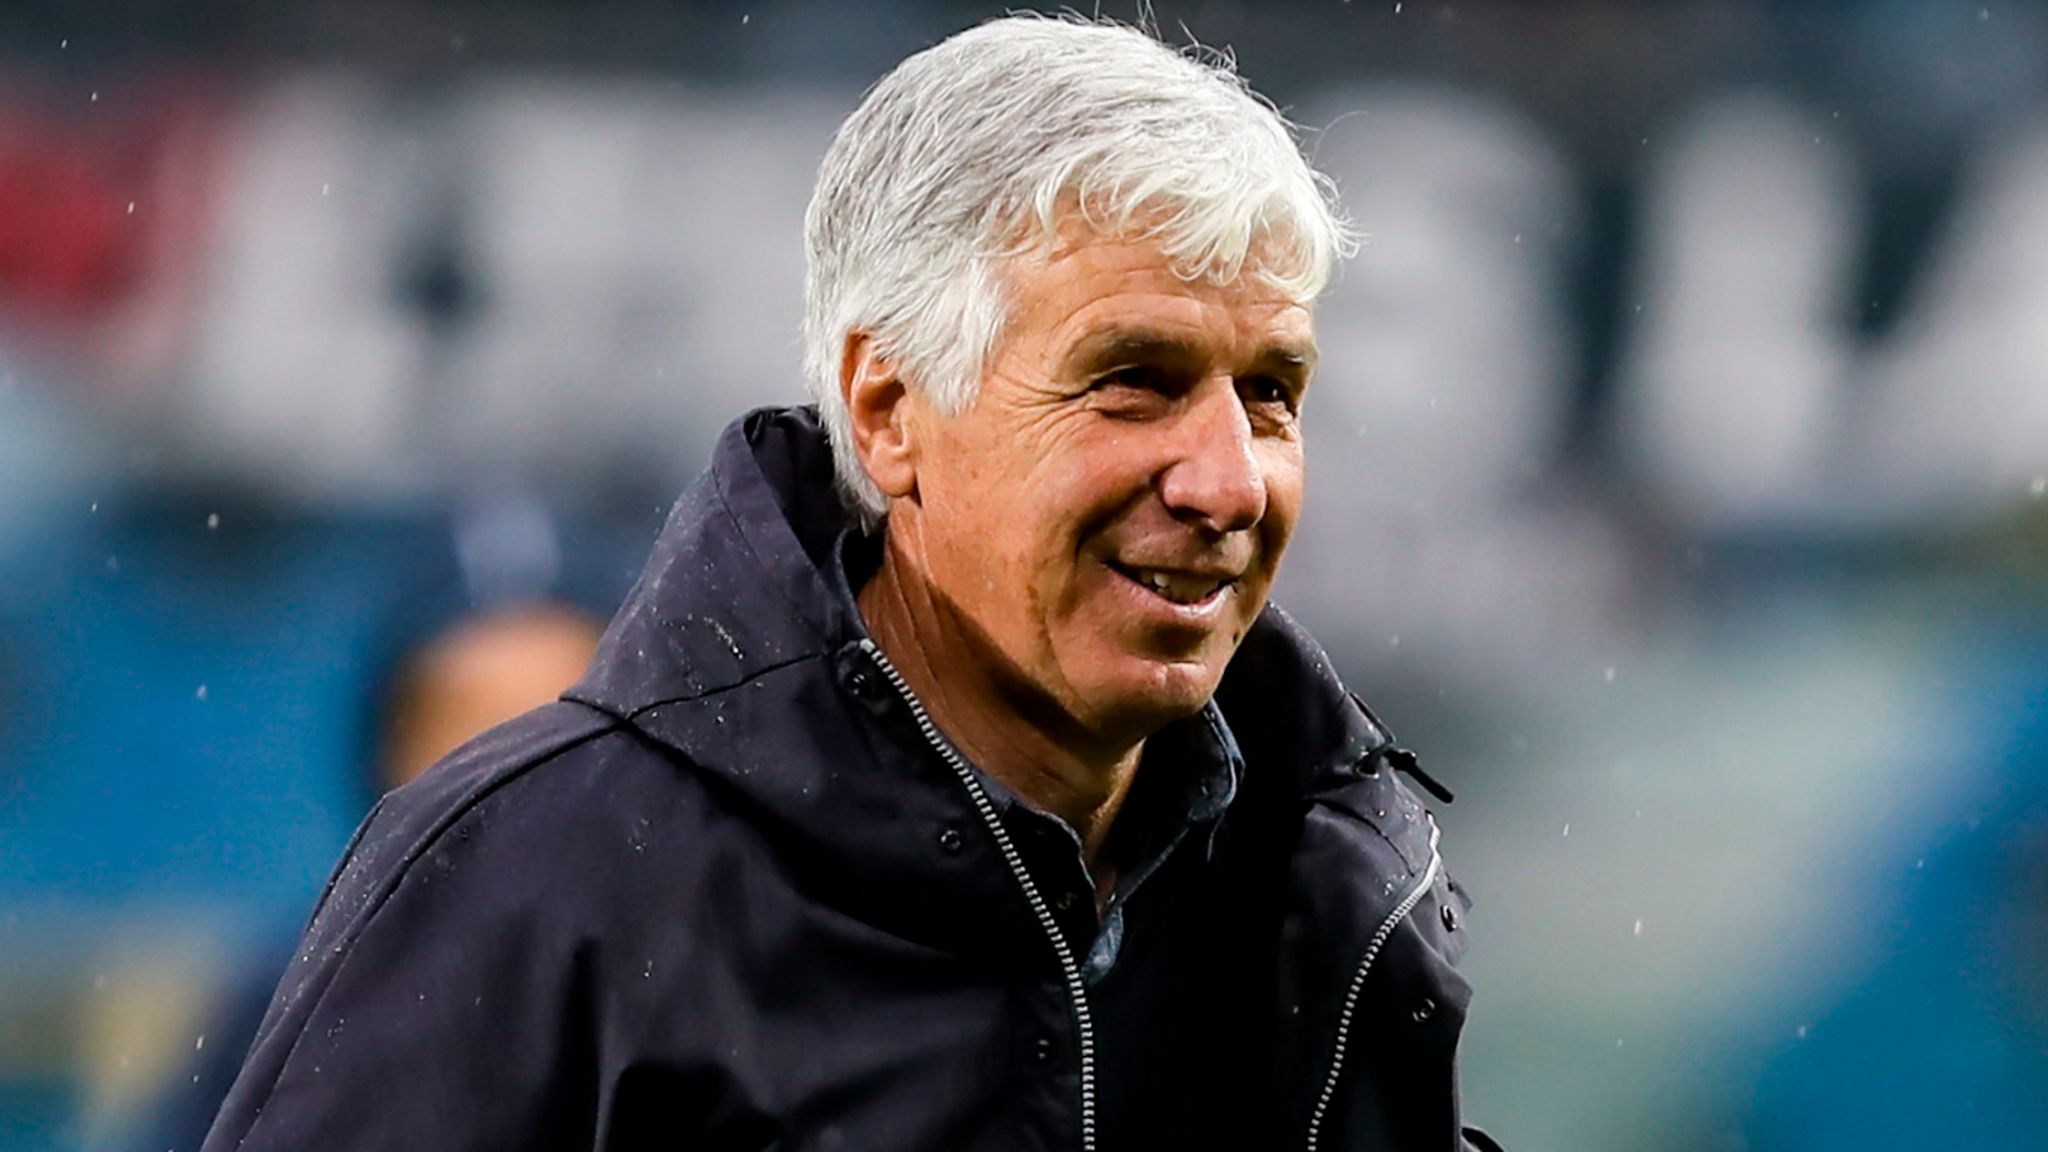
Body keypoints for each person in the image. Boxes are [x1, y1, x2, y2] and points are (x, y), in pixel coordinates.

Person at [203, 15, 1499, 1150]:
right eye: (1135, 382)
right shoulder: (530, 879)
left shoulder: (1328, 906)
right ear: (889, 412)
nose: (1227, 481)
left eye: (1270, 393)